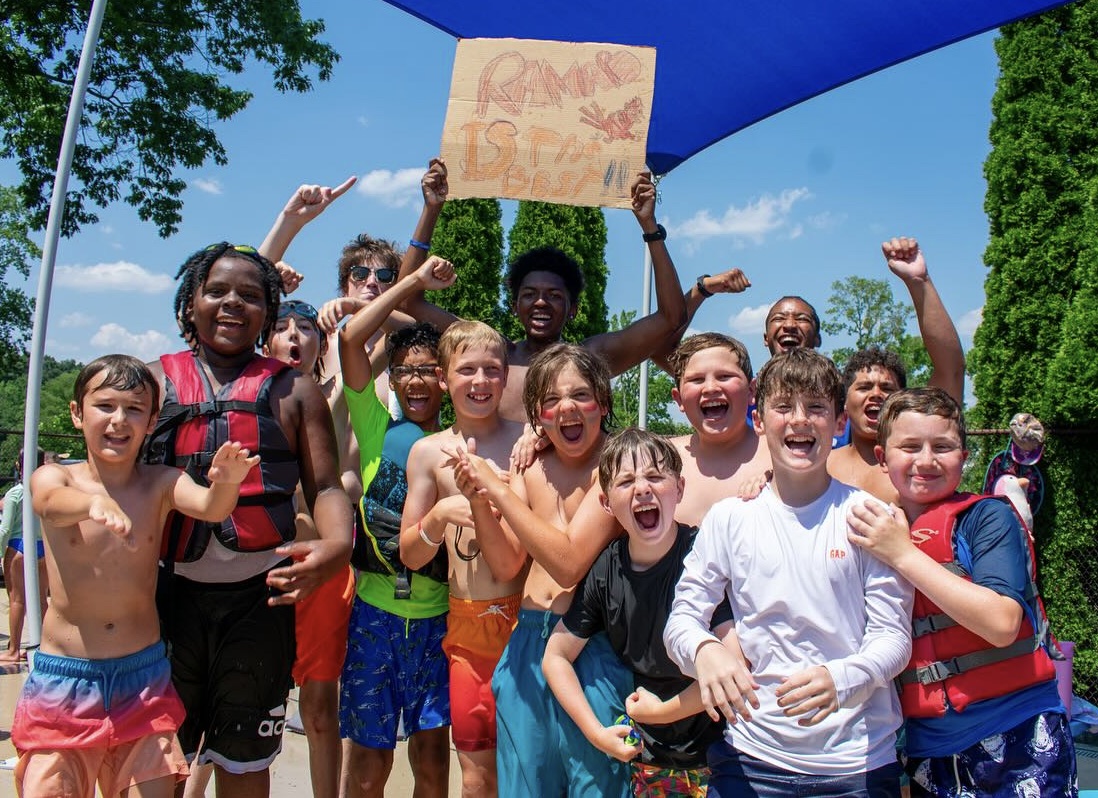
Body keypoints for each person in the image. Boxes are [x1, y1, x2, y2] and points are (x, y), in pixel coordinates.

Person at [148, 242, 353, 798]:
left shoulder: (295, 391)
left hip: (259, 604)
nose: (232, 304)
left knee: (244, 762)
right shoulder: (150, 383)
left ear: (269, 312)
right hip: (167, 602)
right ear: (190, 303)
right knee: (160, 761)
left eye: (250, 295)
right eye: (216, 291)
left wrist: (336, 545)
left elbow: (327, 486)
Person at [664, 347, 914, 797]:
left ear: (839, 424)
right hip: (750, 759)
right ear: (759, 422)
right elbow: (681, 619)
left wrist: (844, 677)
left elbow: (894, 639)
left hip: (855, 764)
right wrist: (704, 652)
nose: (799, 420)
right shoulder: (729, 518)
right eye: (783, 407)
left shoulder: (868, 517)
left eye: (816, 407)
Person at [13, 355, 260, 797]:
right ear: (76, 413)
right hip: (66, 678)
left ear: (150, 423)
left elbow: (211, 508)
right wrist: (91, 505)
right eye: (104, 406)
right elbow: (47, 503)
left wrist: (226, 482)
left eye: (134, 409)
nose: (118, 420)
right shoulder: (56, 476)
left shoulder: (160, 482)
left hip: (142, 678)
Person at [847, 388, 1076, 797]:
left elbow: (1003, 624)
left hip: (1020, 732)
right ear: (882, 458)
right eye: (910, 446)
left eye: (943, 446)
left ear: (965, 456)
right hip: (926, 751)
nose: (926, 460)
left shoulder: (988, 517)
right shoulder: (867, 526)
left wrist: (903, 554)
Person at [452, 343, 633, 797]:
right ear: (538, 415)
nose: (566, 408)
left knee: (599, 783)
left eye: (580, 396)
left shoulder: (619, 466)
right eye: (551, 400)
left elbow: (569, 563)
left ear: (603, 403)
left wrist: (495, 485)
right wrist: (478, 498)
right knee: (525, 787)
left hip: (593, 645)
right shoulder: (529, 467)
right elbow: (508, 562)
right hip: (528, 638)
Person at [396, 159, 687, 423]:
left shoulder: (590, 358)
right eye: (529, 294)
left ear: (573, 309)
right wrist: (431, 209)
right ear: (513, 305)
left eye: (555, 296)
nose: (540, 302)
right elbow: (406, 300)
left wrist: (649, 226)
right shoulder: (491, 354)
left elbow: (671, 318)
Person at [542, 428, 728, 796]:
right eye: (626, 481)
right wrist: (597, 734)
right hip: (648, 762)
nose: (642, 488)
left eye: (656, 477)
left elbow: (733, 666)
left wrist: (662, 712)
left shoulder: (705, 555)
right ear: (607, 503)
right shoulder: (605, 571)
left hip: (723, 754)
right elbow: (555, 656)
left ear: (680, 488)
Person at [340, 258, 455, 798]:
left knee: (432, 763)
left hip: (438, 620)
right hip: (373, 618)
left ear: (448, 380)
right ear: (391, 377)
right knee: (367, 766)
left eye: (431, 369)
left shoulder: (460, 441)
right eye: (405, 369)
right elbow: (350, 339)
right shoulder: (376, 425)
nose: (417, 380)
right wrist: (412, 286)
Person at [397, 319, 527, 798]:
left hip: (526, 625)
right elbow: (409, 554)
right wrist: (441, 515)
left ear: (506, 376)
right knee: (475, 778)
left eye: (492, 369)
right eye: (466, 369)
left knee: (531, 766)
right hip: (469, 632)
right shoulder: (428, 453)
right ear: (443, 377)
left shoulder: (530, 441)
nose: (480, 381)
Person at [261, 298, 355, 798]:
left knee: (320, 710)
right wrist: (269, 270)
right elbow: (217, 298)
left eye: (304, 327)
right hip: (256, 567)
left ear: (322, 343)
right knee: (234, 709)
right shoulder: (240, 392)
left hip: (322, 571)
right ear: (264, 337)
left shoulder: (338, 393)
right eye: (281, 327)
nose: (293, 336)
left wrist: (358, 305)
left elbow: (370, 345)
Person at [829, 238, 966, 503]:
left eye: (888, 388)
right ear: (844, 403)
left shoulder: (919, 468)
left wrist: (919, 282)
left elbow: (952, 369)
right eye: (864, 387)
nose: (877, 394)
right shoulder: (819, 465)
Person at [666, 332, 771, 525]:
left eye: (724, 376)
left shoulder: (781, 456)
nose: (711, 388)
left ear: (751, 390)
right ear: (679, 399)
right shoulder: (660, 459)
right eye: (697, 380)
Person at [0, 447, 48, 663]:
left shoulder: (16, 493)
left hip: (19, 547)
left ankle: (13, 649)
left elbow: (5, 529)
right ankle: (46, 646)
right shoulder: (46, 491)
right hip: (43, 549)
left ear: (19, 465)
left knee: (17, 601)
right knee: (42, 602)